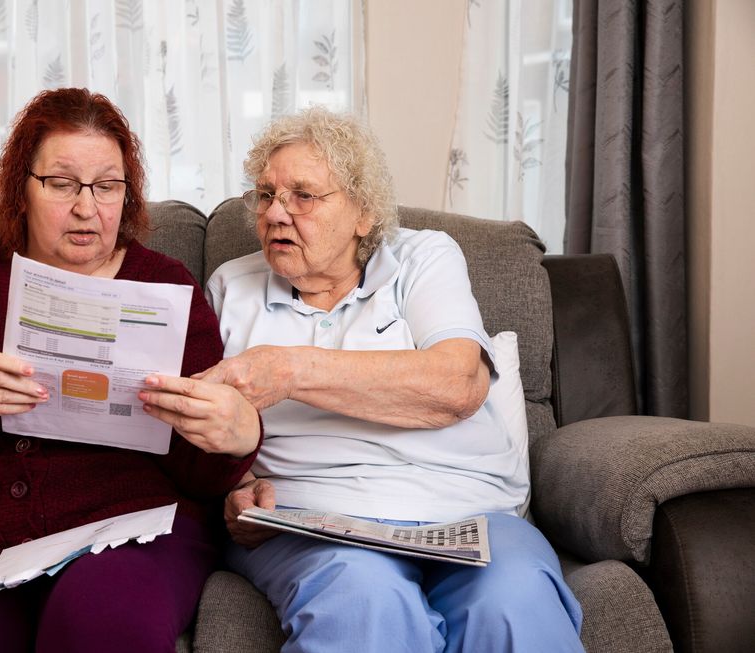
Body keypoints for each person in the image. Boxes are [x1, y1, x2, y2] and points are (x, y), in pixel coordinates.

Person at [0, 88, 262, 653]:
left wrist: (234, 441)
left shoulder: (168, 288)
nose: (86, 207)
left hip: (124, 531)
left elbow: (199, 475)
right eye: (62, 184)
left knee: (107, 626)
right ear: (23, 187)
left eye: (107, 186)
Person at [190, 106, 584, 652]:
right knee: (364, 602)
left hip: (467, 510)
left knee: (514, 601)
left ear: (364, 213)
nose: (276, 213)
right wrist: (235, 493)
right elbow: (206, 431)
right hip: (311, 518)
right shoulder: (231, 287)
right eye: (265, 195)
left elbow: (457, 385)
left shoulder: (423, 259)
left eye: (303, 196)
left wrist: (289, 369)